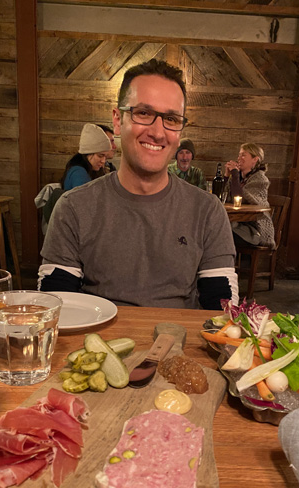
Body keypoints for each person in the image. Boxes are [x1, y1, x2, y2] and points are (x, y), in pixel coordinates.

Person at [38, 59, 238, 310]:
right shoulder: (73, 208)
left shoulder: (208, 211)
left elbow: (221, 311)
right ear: (117, 120)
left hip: (181, 344)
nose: (157, 132)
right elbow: (55, 310)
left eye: (172, 118)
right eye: (143, 113)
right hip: (95, 344)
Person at [224, 143, 275, 248]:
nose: (239, 158)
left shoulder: (260, 179)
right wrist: (226, 176)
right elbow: (222, 197)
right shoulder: (238, 178)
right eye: (239, 155)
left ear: (255, 159)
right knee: (215, 230)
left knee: (221, 233)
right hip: (237, 224)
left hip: (255, 230)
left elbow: (238, 198)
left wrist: (234, 174)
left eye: (243, 155)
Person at [62, 123, 111, 191]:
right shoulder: (78, 173)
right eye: (100, 156)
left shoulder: (92, 170)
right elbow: (86, 200)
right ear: (88, 153)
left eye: (105, 157)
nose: (103, 161)